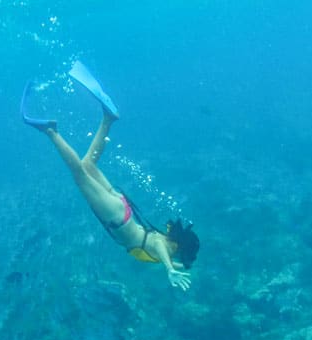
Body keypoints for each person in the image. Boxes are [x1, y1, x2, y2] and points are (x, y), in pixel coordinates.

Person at [21, 61, 199, 291]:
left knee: (87, 164)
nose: (179, 262)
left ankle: (108, 119)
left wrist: (175, 265)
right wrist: (169, 269)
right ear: (178, 247)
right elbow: (159, 247)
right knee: (80, 175)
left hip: (120, 208)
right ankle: (50, 131)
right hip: (117, 216)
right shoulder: (163, 246)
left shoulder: (168, 249)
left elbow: (166, 252)